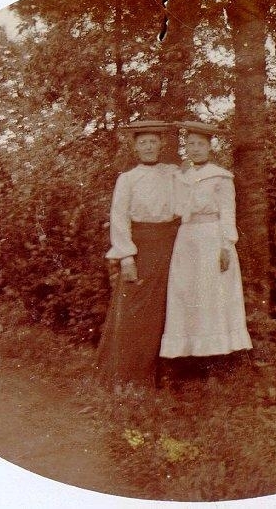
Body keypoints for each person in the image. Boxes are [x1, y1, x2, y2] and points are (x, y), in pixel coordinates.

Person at [96, 120, 179, 390]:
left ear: (161, 144)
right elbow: (119, 218)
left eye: (153, 142)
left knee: (165, 308)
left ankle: (161, 375)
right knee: (135, 308)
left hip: (169, 246)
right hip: (140, 248)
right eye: (143, 143)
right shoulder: (128, 179)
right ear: (135, 147)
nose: (149, 147)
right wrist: (127, 257)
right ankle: (126, 376)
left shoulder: (172, 173)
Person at [160, 121, 252, 361]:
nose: (195, 149)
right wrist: (180, 178)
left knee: (212, 292)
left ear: (210, 147)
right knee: (186, 291)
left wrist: (226, 245)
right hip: (187, 238)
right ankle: (188, 352)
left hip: (212, 237)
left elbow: (228, 212)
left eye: (200, 144)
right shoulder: (180, 176)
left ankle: (216, 354)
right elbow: (174, 208)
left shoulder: (220, 177)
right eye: (191, 144)